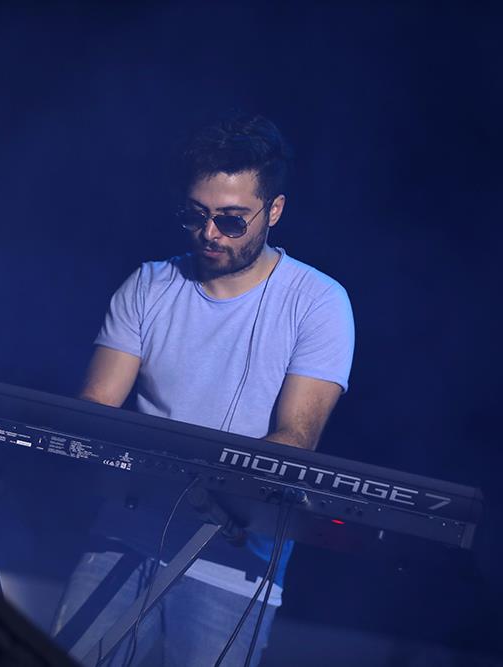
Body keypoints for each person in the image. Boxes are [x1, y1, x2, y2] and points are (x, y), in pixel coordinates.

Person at [51, 114, 355, 665]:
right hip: (125, 532)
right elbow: (95, 409)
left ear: (274, 211)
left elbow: (295, 440)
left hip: (234, 562)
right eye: (196, 216)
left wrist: (196, 483)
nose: (210, 234)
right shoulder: (148, 285)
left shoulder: (318, 302)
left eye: (232, 221)